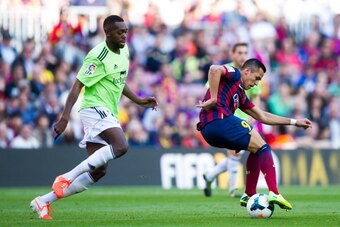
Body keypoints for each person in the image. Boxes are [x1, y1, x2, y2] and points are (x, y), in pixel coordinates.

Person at [30, 15, 158, 220]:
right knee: (121, 146)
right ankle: (66, 177)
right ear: (107, 32)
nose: (124, 35)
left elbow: (119, 80)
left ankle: (43, 201)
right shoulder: (97, 56)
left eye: (125, 31)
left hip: (108, 111)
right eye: (119, 32)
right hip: (94, 108)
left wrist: (140, 101)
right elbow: (77, 86)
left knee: (99, 171)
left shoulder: (124, 51)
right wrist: (64, 117)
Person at [196, 58, 312, 210]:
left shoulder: (241, 96)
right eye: (257, 78)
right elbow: (214, 69)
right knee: (264, 147)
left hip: (209, 131)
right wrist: (213, 98)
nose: (256, 84)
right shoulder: (235, 74)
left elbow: (263, 116)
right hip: (218, 120)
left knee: (256, 148)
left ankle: (249, 194)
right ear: (247, 71)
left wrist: (294, 122)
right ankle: (274, 192)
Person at [202, 43, 262, 198]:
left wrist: (252, 118)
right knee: (234, 155)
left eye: (245, 52)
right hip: (224, 116)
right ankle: (233, 190)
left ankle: (210, 176)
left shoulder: (252, 75)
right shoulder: (226, 70)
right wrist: (211, 101)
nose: (243, 55)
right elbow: (208, 87)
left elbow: (256, 98)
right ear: (233, 54)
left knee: (236, 155)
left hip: (243, 116)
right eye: (239, 52)